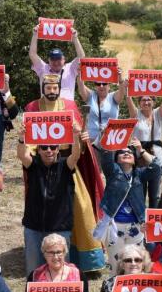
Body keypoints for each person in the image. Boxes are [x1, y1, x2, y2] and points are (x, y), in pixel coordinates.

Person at [23, 75, 105, 273]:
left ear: (59, 88)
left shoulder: (69, 106)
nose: (52, 91)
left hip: (68, 164)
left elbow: (78, 139)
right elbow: (28, 142)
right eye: (48, 88)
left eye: (55, 88)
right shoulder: (33, 107)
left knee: (78, 210)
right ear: (43, 88)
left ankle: (78, 261)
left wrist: (82, 137)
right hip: (40, 164)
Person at [16, 121, 84, 276]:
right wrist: (21, 138)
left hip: (60, 227)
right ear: (38, 150)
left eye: (53, 147)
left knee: (61, 272)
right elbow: (21, 154)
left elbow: (75, 155)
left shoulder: (65, 165)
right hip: (33, 227)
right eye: (44, 147)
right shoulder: (33, 165)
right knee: (33, 272)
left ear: (58, 149)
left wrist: (75, 136)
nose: (49, 150)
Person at [94, 140, 162, 267]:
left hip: (136, 226)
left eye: (130, 152)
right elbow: (106, 157)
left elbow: (157, 166)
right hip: (114, 227)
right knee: (116, 265)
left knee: (134, 265)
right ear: (117, 159)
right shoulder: (113, 172)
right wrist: (110, 139)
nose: (126, 153)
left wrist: (141, 150)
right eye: (122, 152)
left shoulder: (139, 174)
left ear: (135, 160)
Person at [127, 89, 162, 208]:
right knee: (140, 193)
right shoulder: (136, 115)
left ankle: (153, 221)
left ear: (154, 102)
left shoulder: (158, 114)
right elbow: (128, 98)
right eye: (143, 100)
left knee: (154, 194)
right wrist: (124, 85)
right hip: (139, 159)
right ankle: (141, 221)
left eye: (149, 99)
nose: (146, 102)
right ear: (139, 102)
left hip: (156, 160)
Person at [29, 25, 86, 101]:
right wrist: (35, 35)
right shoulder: (43, 68)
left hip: (67, 110)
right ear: (48, 60)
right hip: (47, 109)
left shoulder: (70, 68)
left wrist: (75, 38)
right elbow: (32, 54)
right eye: (53, 59)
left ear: (64, 60)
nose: (56, 62)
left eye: (58, 59)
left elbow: (81, 56)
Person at [76, 71, 126, 148]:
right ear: (95, 87)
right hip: (91, 140)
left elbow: (122, 91)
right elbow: (81, 86)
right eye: (98, 84)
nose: (101, 86)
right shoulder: (91, 96)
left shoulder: (113, 97)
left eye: (104, 83)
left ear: (109, 86)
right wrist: (80, 73)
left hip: (110, 140)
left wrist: (120, 79)